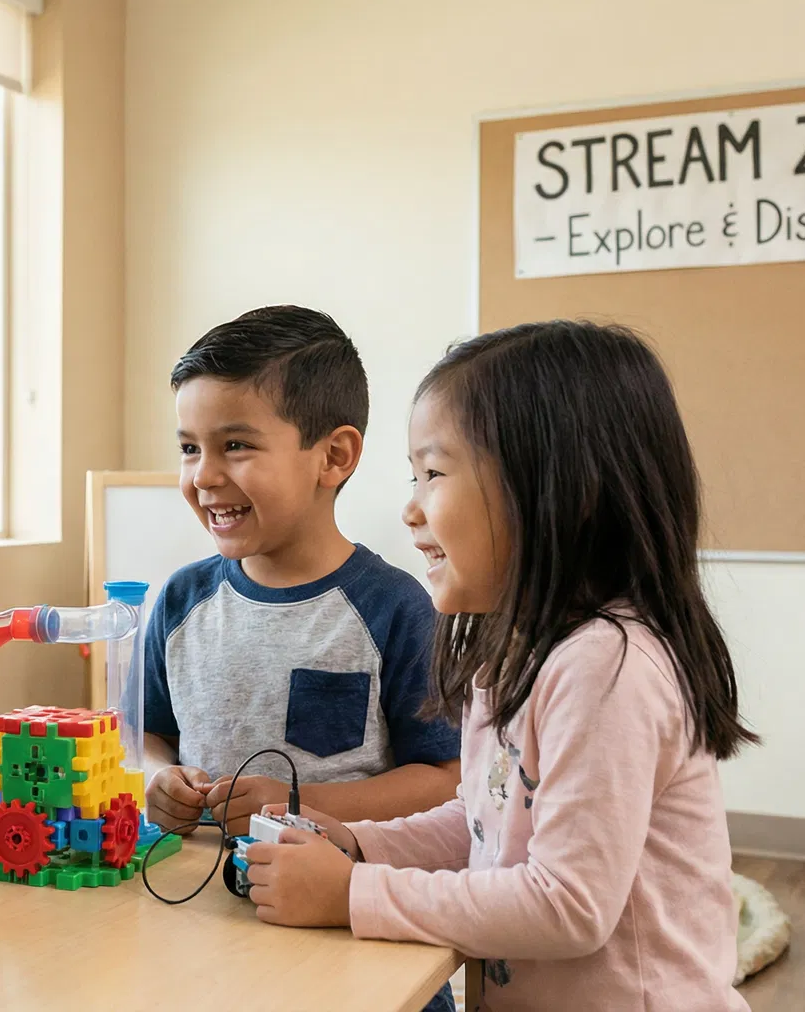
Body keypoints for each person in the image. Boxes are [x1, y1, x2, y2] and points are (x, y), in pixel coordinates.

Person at [243, 321, 754, 1011]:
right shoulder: (513, 650)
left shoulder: (608, 666)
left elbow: (567, 905)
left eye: (435, 473)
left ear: (551, 486)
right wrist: (359, 845)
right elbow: (484, 825)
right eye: (412, 475)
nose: (411, 508)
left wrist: (352, 893)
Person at [143, 305, 461, 836]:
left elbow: (445, 779)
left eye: (236, 446)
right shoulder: (181, 601)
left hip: (329, 898)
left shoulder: (396, 609)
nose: (203, 475)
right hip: (187, 892)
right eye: (190, 448)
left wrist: (297, 802)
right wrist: (154, 778)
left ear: (334, 456)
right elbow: (148, 737)